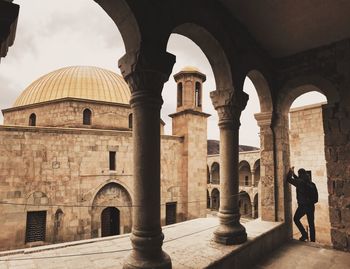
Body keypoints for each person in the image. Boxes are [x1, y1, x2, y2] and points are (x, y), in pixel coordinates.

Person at [286, 167, 317, 242]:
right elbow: (299, 180)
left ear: (300, 174)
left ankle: (304, 234)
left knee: (296, 219)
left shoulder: (300, 182)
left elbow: (289, 180)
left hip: (303, 206)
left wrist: (290, 172)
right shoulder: (311, 183)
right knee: (311, 224)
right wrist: (294, 174)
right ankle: (313, 241)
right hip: (311, 206)